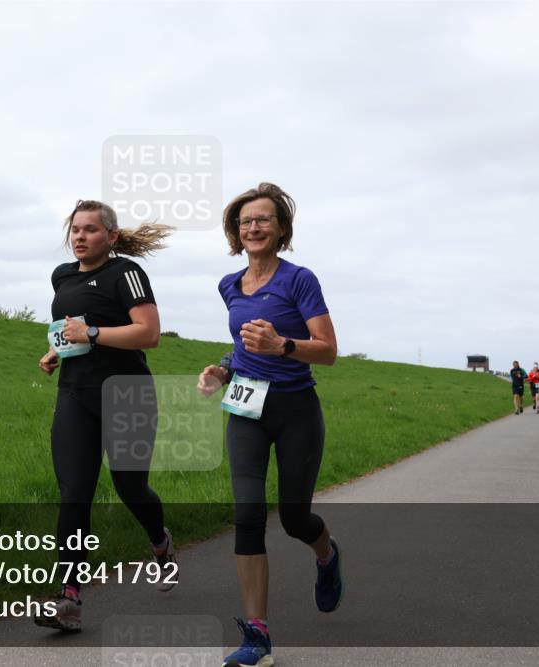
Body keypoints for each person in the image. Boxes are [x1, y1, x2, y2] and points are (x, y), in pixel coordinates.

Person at [196, 183, 340, 667]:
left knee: (296, 518)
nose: (253, 227)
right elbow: (242, 346)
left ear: (281, 229)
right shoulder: (228, 285)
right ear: (235, 234)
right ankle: (257, 634)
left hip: (296, 409)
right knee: (248, 513)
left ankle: (326, 555)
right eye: (244, 222)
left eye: (262, 219)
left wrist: (283, 345)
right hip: (246, 409)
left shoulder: (300, 280)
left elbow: (329, 350)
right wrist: (222, 369)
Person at [35, 200, 176, 632]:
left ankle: (160, 541)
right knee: (74, 493)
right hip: (76, 395)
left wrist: (91, 333)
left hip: (127, 394)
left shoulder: (126, 273)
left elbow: (147, 333)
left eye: (90, 229)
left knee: (130, 486)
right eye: (75, 229)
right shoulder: (61, 276)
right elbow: (73, 329)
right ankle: (70, 597)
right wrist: (59, 349)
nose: (79, 236)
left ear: (111, 237)